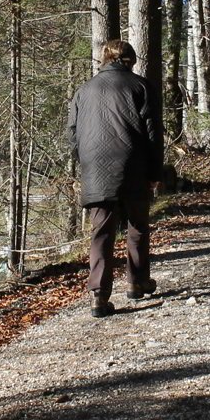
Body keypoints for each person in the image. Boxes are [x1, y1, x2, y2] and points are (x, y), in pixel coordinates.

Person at [68, 39, 163, 318]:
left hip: (95, 168)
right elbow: (153, 134)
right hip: (134, 166)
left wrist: (85, 163)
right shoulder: (141, 86)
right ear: (130, 60)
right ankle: (137, 282)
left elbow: (73, 134)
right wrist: (155, 173)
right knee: (137, 226)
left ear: (104, 60)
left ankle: (99, 296)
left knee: (102, 232)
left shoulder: (83, 91)